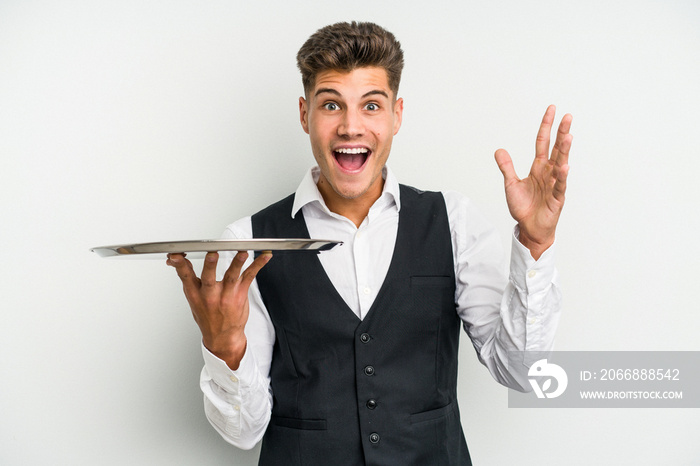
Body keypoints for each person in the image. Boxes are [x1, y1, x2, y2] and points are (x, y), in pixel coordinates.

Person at [167, 21, 572, 466]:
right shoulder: (248, 243)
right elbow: (243, 433)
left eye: (371, 105)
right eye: (331, 105)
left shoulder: (454, 223)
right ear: (304, 114)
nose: (350, 126)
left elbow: (521, 371)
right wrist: (224, 346)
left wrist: (536, 241)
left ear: (397, 114)